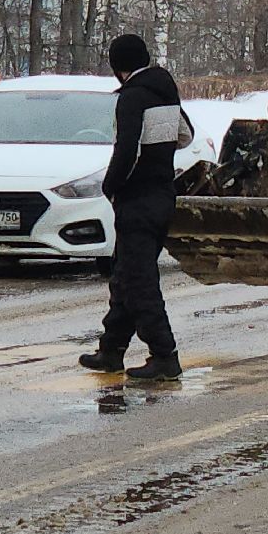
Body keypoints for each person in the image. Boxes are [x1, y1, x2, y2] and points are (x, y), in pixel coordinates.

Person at [79, 34, 192, 381]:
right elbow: (185, 135)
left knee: (139, 281)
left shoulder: (131, 99)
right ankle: (111, 350)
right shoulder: (165, 91)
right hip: (162, 196)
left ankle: (165, 356)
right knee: (125, 275)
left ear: (119, 67)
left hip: (137, 200)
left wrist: (111, 185)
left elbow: (126, 151)